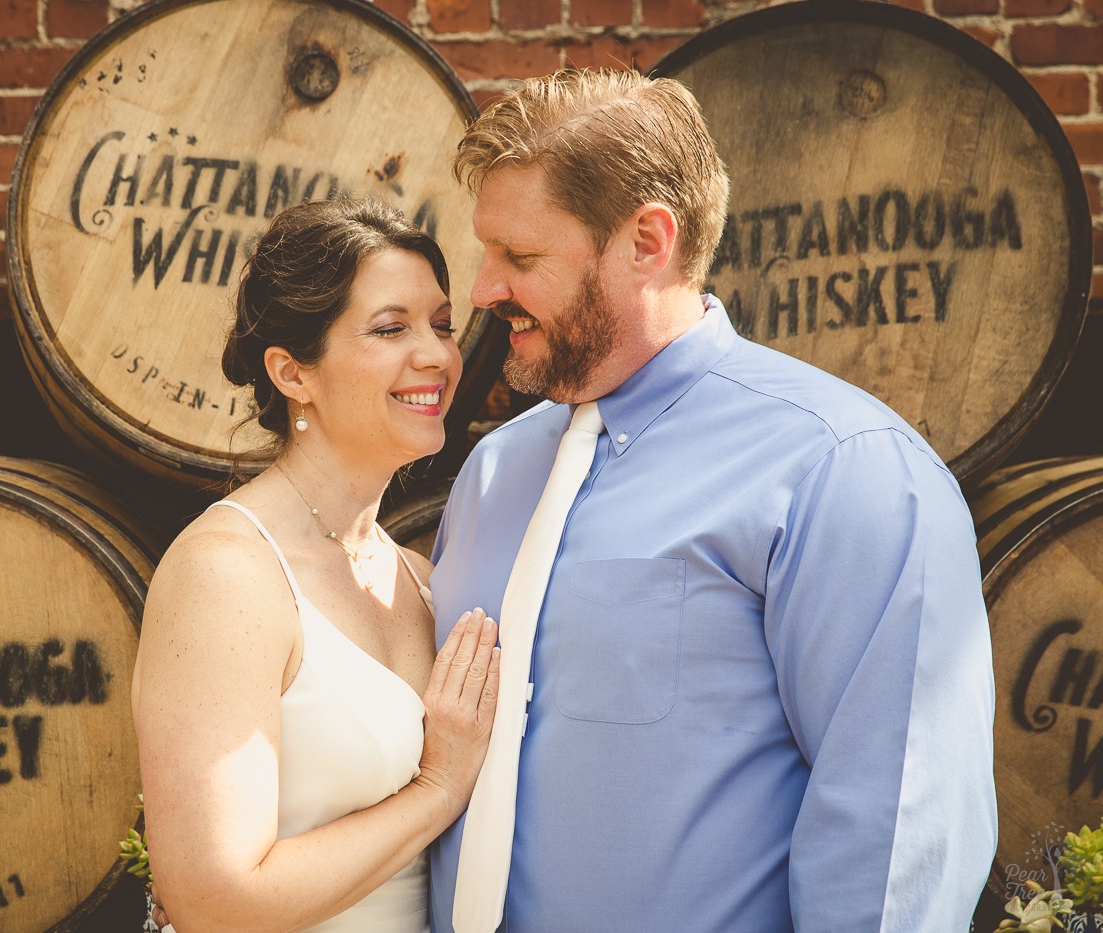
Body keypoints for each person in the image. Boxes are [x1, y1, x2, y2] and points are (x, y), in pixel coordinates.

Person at [427, 69, 996, 932]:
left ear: (648, 241)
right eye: (486, 252)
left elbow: (896, 834)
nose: (481, 289)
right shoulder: (494, 473)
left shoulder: (845, 470)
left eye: (521, 257)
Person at [130, 198, 501, 933]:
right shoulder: (228, 573)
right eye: (391, 328)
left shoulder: (419, 577)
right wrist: (438, 784)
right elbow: (214, 898)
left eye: (442, 324)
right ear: (293, 372)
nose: (436, 354)